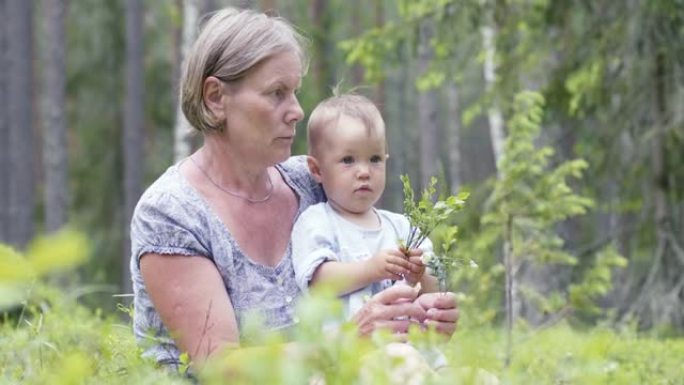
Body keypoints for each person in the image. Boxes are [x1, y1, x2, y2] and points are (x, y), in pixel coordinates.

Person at [129, 7, 459, 374]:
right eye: (276, 93)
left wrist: (424, 313)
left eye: (295, 92)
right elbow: (218, 367)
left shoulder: (310, 181)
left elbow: (378, 284)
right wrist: (352, 339)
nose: (297, 111)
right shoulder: (172, 213)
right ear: (215, 97)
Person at [292, 93, 439, 320]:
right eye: (348, 160)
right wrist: (371, 269)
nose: (364, 172)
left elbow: (434, 289)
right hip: (349, 349)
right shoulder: (317, 221)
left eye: (375, 159)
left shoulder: (401, 227)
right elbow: (318, 283)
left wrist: (420, 274)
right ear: (317, 170)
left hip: (405, 342)